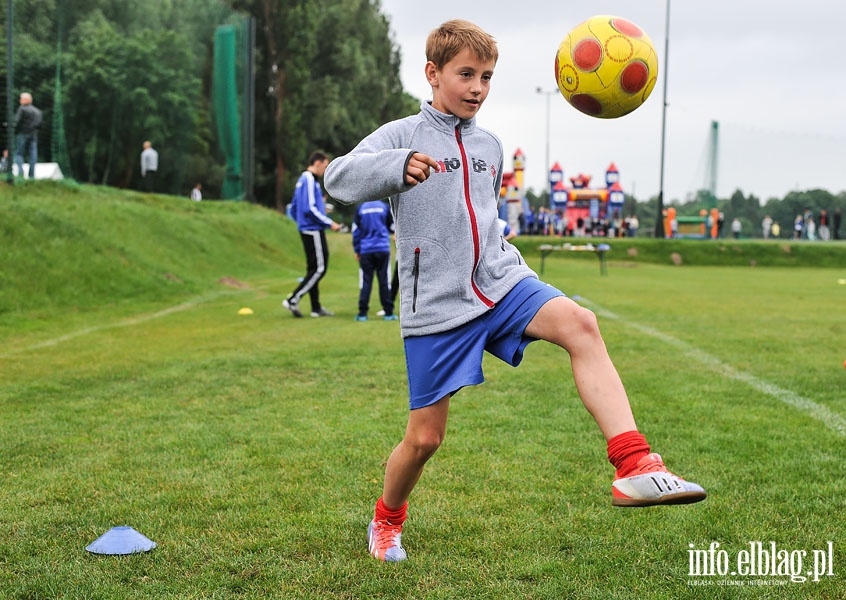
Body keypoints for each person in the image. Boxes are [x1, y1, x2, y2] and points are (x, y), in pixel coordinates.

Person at [324, 19, 706, 564]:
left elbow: (482, 217)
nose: (477, 87)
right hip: (436, 305)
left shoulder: (491, 145)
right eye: (465, 75)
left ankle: (635, 464)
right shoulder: (401, 135)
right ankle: (386, 521)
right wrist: (395, 168)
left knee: (582, 324)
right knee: (425, 440)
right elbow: (338, 179)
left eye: (486, 76)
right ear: (433, 74)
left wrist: (506, 263)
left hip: (500, 282)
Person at [283, 151, 341, 318]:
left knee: (313, 269)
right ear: (317, 162)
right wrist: (330, 223)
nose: (325, 170)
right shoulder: (309, 179)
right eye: (325, 165)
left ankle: (315, 307)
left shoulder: (303, 180)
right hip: (313, 230)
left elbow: (294, 207)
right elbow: (310, 208)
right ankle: (293, 299)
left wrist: (300, 222)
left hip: (307, 228)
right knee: (320, 268)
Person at [352, 200, 397, 321]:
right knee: (384, 281)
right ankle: (388, 313)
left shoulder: (361, 208)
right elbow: (392, 226)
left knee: (366, 281)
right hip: (382, 249)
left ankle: (362, 313)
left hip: (366, 250)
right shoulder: (384, 207)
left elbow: (356, 231)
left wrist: (357, 250)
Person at [13, 92, 42, 179]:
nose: (19, 100)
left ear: (25, 100)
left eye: (21, 98)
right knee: (33, 155)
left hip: (22, 133)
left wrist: (14, 129)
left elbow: (17, 122)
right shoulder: (38, 111)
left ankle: (21, 173)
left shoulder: (22, 109)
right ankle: (31, 175)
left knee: (18, 153)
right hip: (33, 135)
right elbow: (40, 124)